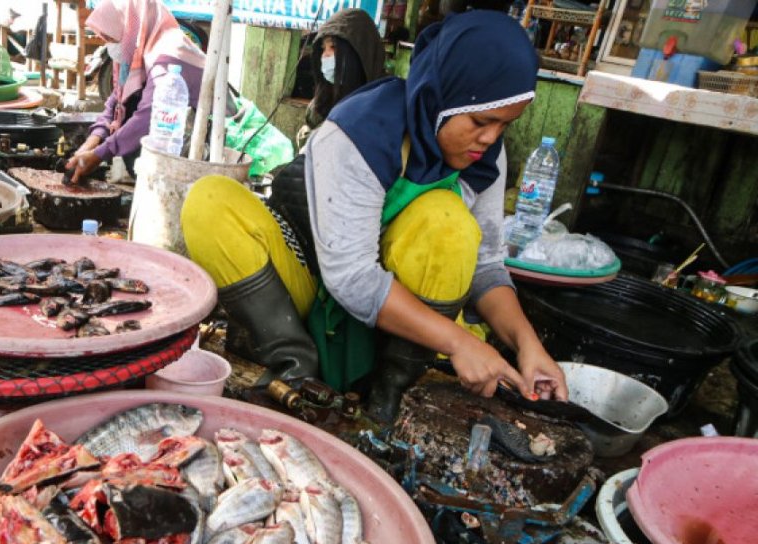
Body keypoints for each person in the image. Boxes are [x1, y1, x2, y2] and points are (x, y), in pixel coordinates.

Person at [181, 11, 568, 422]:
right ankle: (295, 371)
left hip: (400, 327)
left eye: (505, 125)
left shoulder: (485, 154)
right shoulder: (361, 130)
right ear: (442, 96)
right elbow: (351, 276)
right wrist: (459, 342)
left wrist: (528, 345)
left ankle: (389, 395)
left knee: (447, 221)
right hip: (313, 286)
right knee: (210, 200)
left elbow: (486, 266)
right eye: (481, 121)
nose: (490, 138)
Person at [65, 0, 206, 184]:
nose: (109, 45)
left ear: (131, 27)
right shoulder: (137, 52)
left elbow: (148, 117)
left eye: (112, 38)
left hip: (192, 144)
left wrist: (100, 154)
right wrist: (90, 143)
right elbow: (115, 102)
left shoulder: (168, 56)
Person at [297, 8, 386, 149]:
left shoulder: (378, 107)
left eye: (333, 47)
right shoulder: (324, 97)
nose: (325, 55)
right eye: (323, 48)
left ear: (358, 53)